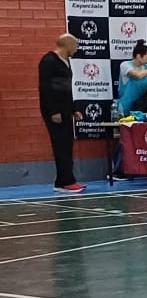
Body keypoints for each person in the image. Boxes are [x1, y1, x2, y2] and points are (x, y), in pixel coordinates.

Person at [38, 33, 84, 193]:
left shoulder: (66, 62)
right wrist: (53, 111)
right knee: (61, 145)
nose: (77, 49)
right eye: (75, 46)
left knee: (67, 143)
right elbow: (46, 88)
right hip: (54, 111)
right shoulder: (48, 61)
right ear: (67, 45)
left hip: (65, 109)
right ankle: (65, 182)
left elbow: (66, 89)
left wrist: (74, 109)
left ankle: (64, 180)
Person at [113, 41, 147, 180]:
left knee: (141, 139)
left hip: (141, 109)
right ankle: (118, 171)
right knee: (124, 140)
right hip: (126, 109)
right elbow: (137, 75)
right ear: (138, 56)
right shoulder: (125, 65)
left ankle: (139, 169)